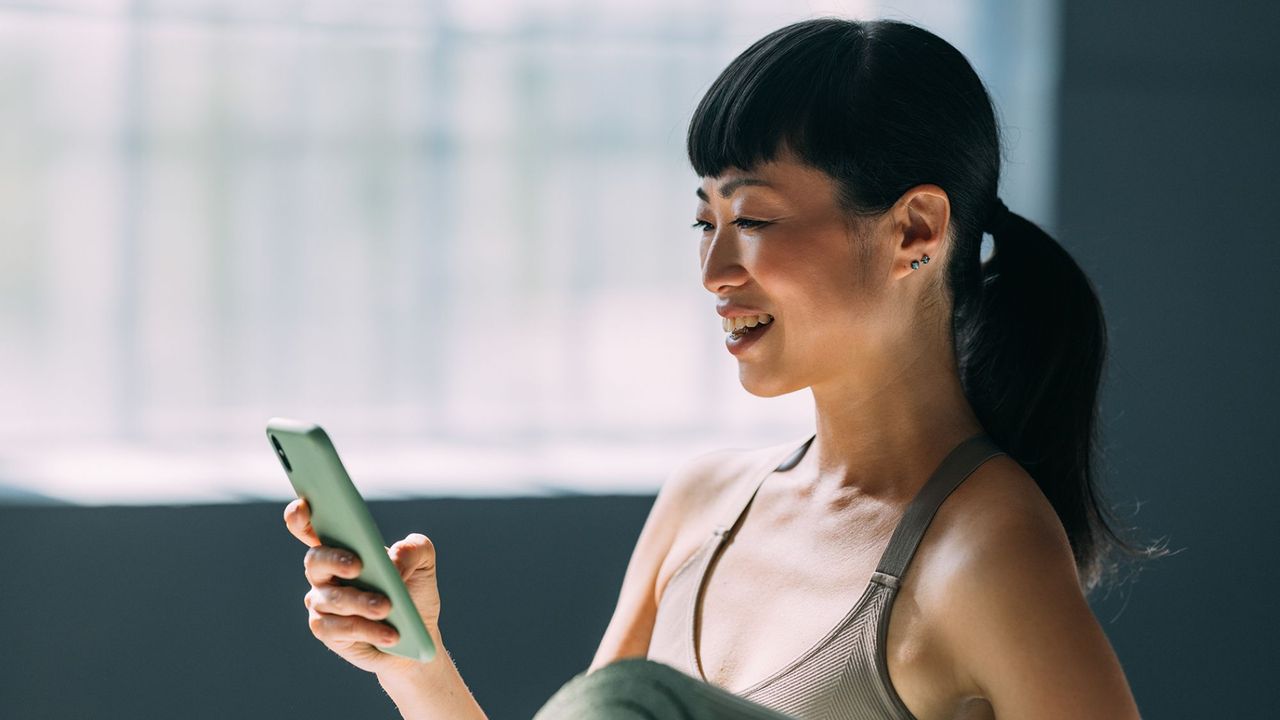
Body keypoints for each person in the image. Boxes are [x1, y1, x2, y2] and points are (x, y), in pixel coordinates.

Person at [283, 16, 1165, 720]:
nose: (714, 272)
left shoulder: (985, 550)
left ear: (914, 231)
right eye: (705, 222)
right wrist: (414, 659)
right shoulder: (703, 503)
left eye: (756, 220)